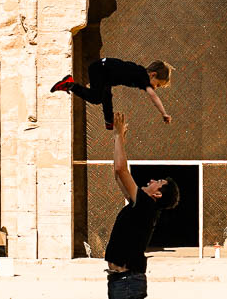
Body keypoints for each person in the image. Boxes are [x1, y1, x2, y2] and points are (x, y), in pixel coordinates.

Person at [103, 111, 179, 299]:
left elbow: (122, 169)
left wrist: (118, 135)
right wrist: (118, 140)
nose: (152, 179)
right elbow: (117, 173)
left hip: (127, 283)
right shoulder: (141, 207)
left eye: (158, 181)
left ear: (158, 194)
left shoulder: (146, 206)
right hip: (122, 282)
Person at [51, 58, 173, 129]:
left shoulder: (139, 72)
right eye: (157, 84)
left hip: (105, 72)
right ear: (153, 75)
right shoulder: (143, 78)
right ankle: (70, 85)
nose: (155, 88)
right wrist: (164, 113)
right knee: (96, 98)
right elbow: (153, 97)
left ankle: (109, 121)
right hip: (100, 70)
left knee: (107, 97)